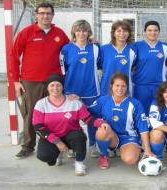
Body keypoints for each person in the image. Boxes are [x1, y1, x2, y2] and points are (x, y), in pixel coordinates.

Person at [9, 3, 69, 159]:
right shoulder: (27, 33)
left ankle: (57, 143)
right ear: (36, 15)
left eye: (48, 13)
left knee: (56, 113)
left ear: (53, 15)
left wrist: (89, 42)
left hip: (54, 83)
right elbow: (14, 57)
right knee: (30, 114)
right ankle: (28, 145)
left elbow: (71, 52)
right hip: (31, 81)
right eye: (42, 13)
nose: (45, 16)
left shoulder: (60, 34)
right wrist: (15, 80)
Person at [32, 74, 104, 176]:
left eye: (58, 85)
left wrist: (100, 123)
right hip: (52, 136)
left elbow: (87, 118)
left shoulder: (73, 102)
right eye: (52, 85)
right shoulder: (41, 104)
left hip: (71, 134)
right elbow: (38, 127)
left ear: (62, 87)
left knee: (79, 137)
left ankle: (79, 163)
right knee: (45, 156)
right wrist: (57, 142)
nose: (55, 88)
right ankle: (57, 154)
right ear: (47, 87)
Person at [88, 72, 153, 169]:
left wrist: (147, 149)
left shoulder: (135, 104)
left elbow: (143, 127)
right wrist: (76, 101)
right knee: (102, 130)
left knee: (130, 160)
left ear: (127, 87)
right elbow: (87, 112)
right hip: (111, 135)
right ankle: (104, 155)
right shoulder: (103, 100)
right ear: (111, 86)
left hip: (129, 137)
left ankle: (126, 149)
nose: (120, 89)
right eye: (117, 85)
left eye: (123, 86)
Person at [60, 19, 100, 158]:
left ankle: (93, 145)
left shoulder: (95, 48)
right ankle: (71, 146)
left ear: (89, 32)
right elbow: (62, 70)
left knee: (92, 120)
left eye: (84, 30)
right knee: (70, 121)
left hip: (92, 91)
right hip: (72, 91)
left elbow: (101, 65)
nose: (82, 33)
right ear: (73, 32)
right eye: (78, 30)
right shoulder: (66, 49)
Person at [132, 21, 167, 115]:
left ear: (159, 32)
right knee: (141, 113)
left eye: (156, 30)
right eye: (150, 30)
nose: (153, 33)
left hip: (160, 86)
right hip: (141, 86)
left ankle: (157, 130)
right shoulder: (137, 46)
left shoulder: (165, 47)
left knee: (158, 113)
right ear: (145, 31)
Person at [99, 20, 136, 96]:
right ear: (113, 33)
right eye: (119, 31)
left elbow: (134, 66)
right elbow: (98, 65)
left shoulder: (133, 49)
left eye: (125, 31)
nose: (122, 34)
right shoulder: (103, 49)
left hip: (125, 88)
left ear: (129, 33)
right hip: (106, 87)